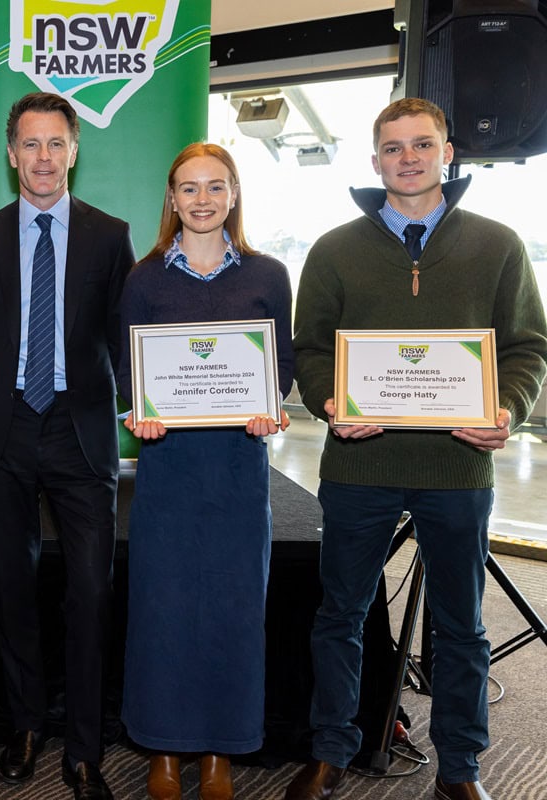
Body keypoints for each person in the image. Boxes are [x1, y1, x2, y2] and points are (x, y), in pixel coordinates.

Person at [285, 98, 547, 800]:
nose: (408, 158)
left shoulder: (498, 244)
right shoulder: (334, 249)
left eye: (421, 144)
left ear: (447, 152)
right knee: (340, 617)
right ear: (375, 161)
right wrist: (329, 401)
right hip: (358, 468)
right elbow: (309, 348)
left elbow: (527, 347)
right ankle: (332, 750)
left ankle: (460, 768)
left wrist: (508, 408)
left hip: (458, 467)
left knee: (461, 625)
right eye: (393, 147)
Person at [0, 91, 135, 800]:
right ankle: (25, 726)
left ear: (74, 150)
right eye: (30, 144)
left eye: (56, 143)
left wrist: (141, 405)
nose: (43, 158)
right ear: (10, 153)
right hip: (5, 432)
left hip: (81, 432)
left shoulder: (109, 236)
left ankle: (84, 749)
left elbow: (122, 339)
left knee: (91, 592)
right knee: (12, 588)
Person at [116, 143, 293, 800]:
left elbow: (281, 367)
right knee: (164, 610)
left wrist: (268, 406)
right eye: (188, 189)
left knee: (233, 610)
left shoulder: (269, 275)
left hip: (239, 470)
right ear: (171, 199)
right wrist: (140, 411)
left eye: (214, 187)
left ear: (234, 193)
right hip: (170, 470)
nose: (201, 200)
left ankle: (221, 748)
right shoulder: (144, 279)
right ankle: (164, 747)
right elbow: (127, 370)